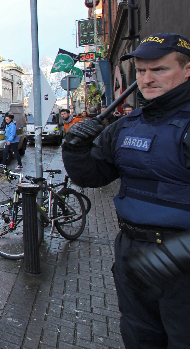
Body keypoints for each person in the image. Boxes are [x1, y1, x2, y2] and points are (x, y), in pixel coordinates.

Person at [62, 33, 190, 348]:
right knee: (139, 335)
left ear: (187, 69)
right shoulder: (128, 125)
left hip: (181, 265)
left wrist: (174, 254)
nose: (147, 79)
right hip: (133, 253)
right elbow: (95, 176)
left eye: (159, 70)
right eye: (142, 71)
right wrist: (74, 149)